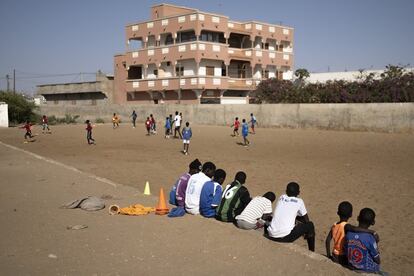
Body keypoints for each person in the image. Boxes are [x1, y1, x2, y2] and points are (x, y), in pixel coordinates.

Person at [325, 201, 380, 265]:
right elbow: (355, 229)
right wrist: (371, 231)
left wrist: (328, 255)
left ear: (338, 213)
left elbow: (327, 241)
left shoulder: (334, 226)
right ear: (351, 215)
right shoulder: (346, 226)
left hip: (334, 255)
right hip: (342, 257)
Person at [265, 182, 315, 252]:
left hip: (271, 234)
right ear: (299, 192)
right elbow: (306, 219)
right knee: (310, 225)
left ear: (286, 191)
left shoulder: (281, 197)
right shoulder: (299, 201)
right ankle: (311, 251)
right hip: (284, 238)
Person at [345, 208, 382, 274]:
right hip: (366, 270)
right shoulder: (370, 238)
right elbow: (377, 260)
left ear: (358, 218)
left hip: (351, 266)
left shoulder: (349, 234)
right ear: (373, 222)